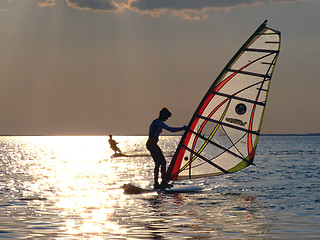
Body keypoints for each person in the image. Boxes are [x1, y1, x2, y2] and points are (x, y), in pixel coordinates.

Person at [146, 107, 186, 189]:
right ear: (163, 115)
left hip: (152, 143)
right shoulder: (158, 122)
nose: (167, 119)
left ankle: (157, 183)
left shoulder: (157, 122)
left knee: (158, 163)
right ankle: (161, 182)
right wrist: (182, 128)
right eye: (166, 117)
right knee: (162, 162)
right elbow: (171, 130)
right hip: (151, 143)